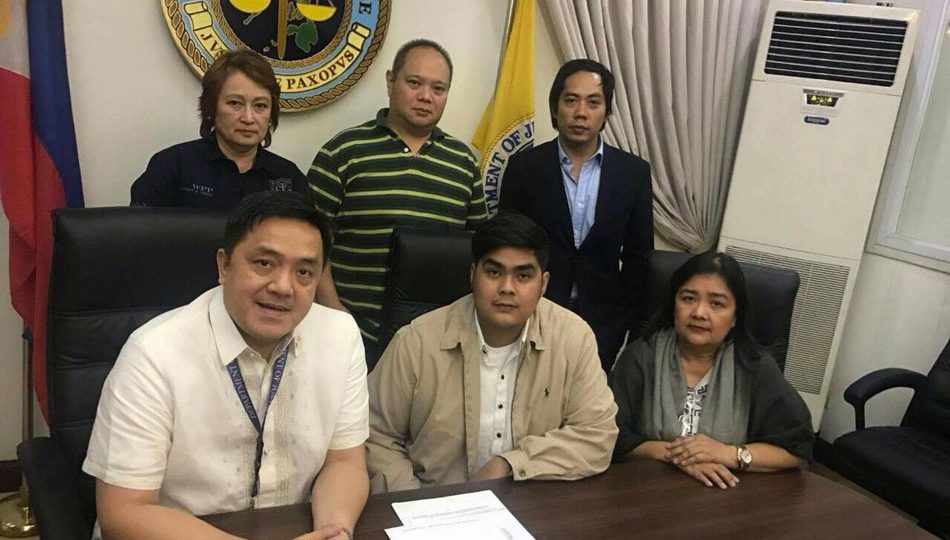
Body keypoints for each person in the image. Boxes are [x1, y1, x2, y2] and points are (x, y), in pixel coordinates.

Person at [84, 192, 369, 540]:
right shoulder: (154, 353)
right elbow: (124, 512)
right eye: (264, 263)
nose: (283, 286)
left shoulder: (341, 335)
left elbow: (345, 462)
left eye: (304, 272)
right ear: (224, 265)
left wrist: (334, 532)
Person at [366, 212, 617, 493]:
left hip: (535, 508)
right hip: (433, 510)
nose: (507, 288)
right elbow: (374, 435)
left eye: (523, 275)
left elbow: (597, 435)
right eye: (494, 272)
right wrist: (418, 502)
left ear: (543, 284)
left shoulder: (573, 338)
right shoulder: (417, 341)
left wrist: (511, 465)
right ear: (473, 274)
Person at [307, 39, 488, 364]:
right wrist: (335, 314)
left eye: (438, 88)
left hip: (437, 342)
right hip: (350, 334)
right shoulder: (343, 152)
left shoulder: (463, 163)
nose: (425, 97)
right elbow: (308, 246)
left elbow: (481, 248)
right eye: (414, 83)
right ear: (391, 82)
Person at [610, 251, 813, 489]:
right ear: (673, 305)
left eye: (716, 303)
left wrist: (728, 454)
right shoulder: (641, 357)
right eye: (688, 299)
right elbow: (611, 434)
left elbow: (797, 446)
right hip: (643, 491)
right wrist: (676, 454)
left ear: (735, 316)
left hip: (728, 497)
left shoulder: (754, 366)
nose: (699, 313)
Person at [499, 58, 653, 372]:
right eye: (571, 100)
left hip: (602, 323)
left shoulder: (633, 173)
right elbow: (507, 245)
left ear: (606, 112)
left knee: (583, 412)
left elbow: (640, 257)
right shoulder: (524, 168)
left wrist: (624, 323)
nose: (581, 112)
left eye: (593, 102)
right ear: (555, 108)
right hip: (533, 312)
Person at [131, 50, 308, 210]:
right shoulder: (171, 166)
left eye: (260, 105)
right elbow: (140, 236)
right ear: (211, 108)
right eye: (235, 103)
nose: (248, 118)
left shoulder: (289, 178)